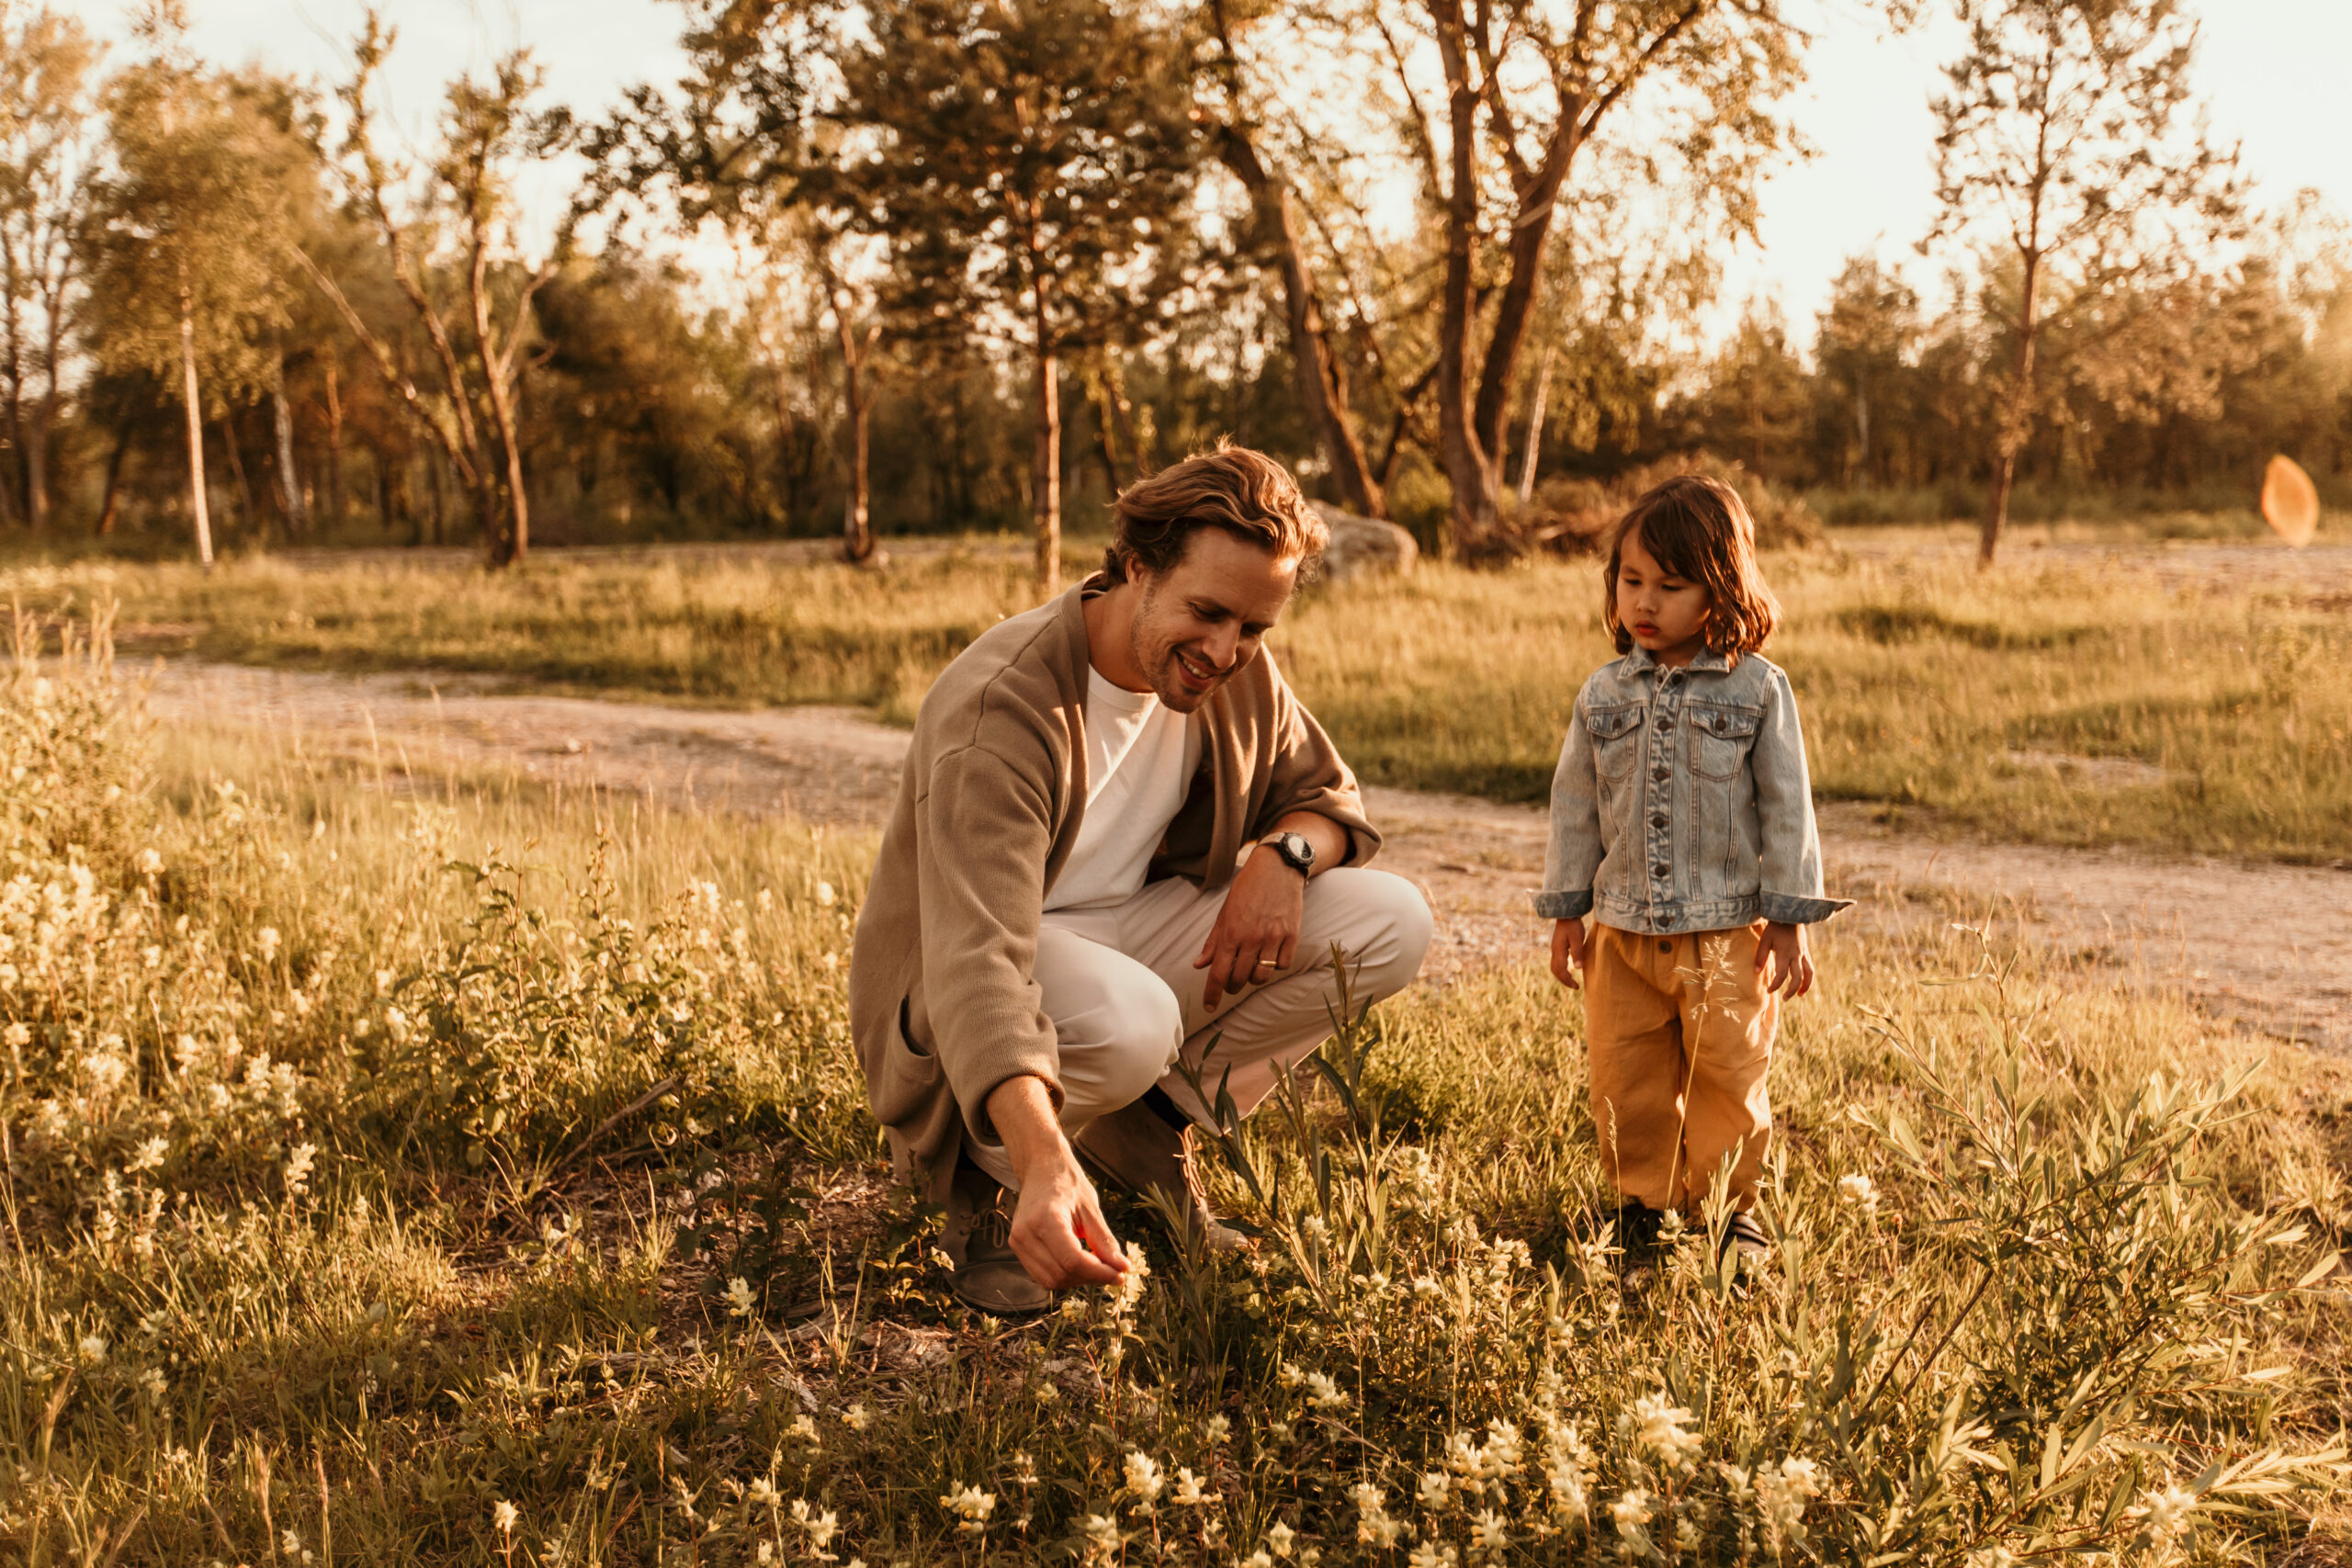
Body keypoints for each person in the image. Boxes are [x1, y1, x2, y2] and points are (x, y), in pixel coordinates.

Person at [850, 445, 1433, 1313]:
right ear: (1136, 565)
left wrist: (1285, 856)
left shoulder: (1233, 671)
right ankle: (982, 1183)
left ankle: (1145, 1128)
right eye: (1207, 612)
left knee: (1390, 919)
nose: (1227, 649)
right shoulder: (1002, 708)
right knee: (1135, 1019)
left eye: (1254, 627)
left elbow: (1327, 796)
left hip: (1120, 937)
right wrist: (1047, 1160)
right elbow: (978, 964)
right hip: (969, 991)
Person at [1535, 475, 1851, 1258]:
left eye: (1671, 586)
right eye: (1630, 581)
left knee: (1727, 1074)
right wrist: (1567, 911)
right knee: (1625, 1076)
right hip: (1623, 931)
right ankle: (1641, 1204)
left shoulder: (1756, 690)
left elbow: (1789, 810)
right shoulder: (1602, 695)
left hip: (1724, 935)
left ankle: (1725, 1210)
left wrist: (1789, 918)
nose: (1644, 602)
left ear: (1722, 590)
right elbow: (1575, 808)